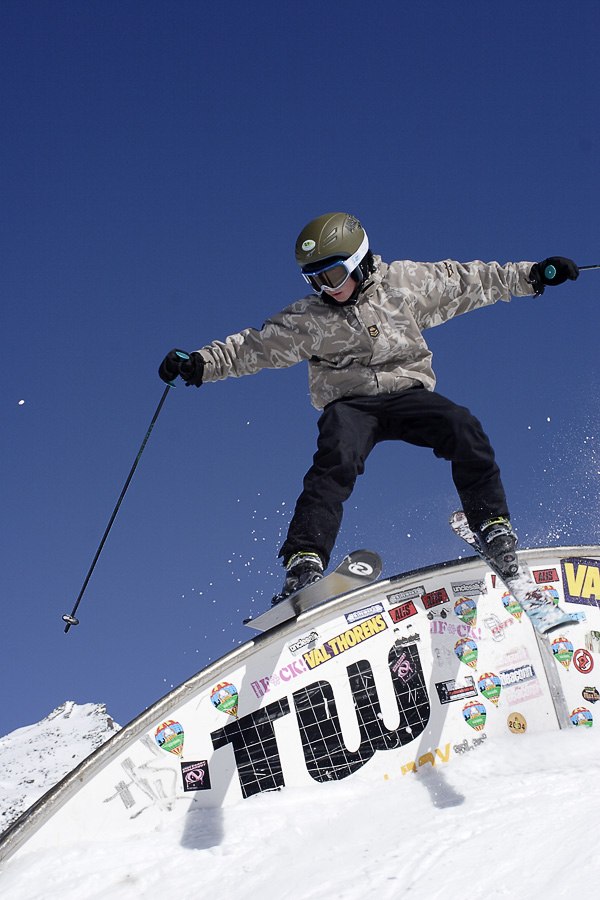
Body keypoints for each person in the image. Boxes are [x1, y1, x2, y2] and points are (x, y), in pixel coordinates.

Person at [159, 212, 579, 604]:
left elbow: (471, 281)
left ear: (359, 261)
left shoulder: (405, 284)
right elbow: (254, 346)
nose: (326, 288)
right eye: (315, 279)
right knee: (337, 457)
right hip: (351, 403)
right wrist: (199, 364)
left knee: (462, 426)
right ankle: (304, 559)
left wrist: (532, 275)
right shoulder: (309, 319)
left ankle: (491, 525)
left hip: (407, 393)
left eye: (334, 274)